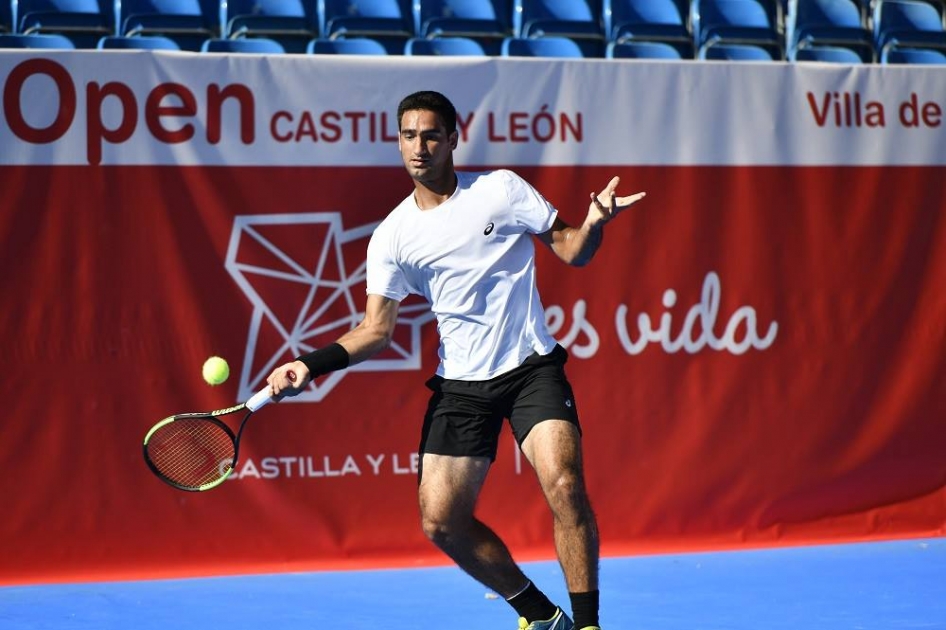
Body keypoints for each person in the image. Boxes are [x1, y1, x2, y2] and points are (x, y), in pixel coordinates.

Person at [267, 90, 646, 630]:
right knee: (441, 522)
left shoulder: (500, 190)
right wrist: (311, 363)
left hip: (530, 368)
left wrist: (594, 226)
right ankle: (539, 614)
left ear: (451, 139)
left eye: (428, 135)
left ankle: (588, 624)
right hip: (462, 386)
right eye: (407, 135)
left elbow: (571, 250)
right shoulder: (393, 236)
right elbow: (376, 330)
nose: (417, 147)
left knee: (564, 483)